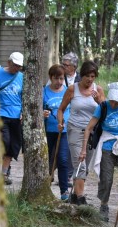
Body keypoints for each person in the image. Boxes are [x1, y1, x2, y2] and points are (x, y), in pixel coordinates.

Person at [80, 85, 118, 222]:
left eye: (117, 102)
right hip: (106, 145)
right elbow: (89, 128)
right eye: (112, 101)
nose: (114, 104)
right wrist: (83, 149)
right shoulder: (103, 106)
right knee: (106, 178)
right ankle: (104, 206)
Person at [57, 61, 105, 205]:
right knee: (80, 163)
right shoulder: (72, 89)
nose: (90, 79)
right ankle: (80, 199)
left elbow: (106, 112)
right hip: (75, 130)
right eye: (87, 76)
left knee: (85, 165)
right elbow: (61, 109)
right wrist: (60, 122)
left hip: (93, 133)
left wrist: (98, 101)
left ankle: (74, 196)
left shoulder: (98, 90)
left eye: (93, 76)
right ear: (81, 75)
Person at [0, 51, 25, 185]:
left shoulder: (22, 77)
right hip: (0, 113)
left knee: (13, 145)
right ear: (8, 62)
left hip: (16, 116)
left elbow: (24, 97)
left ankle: (4, 173)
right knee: (4, 141)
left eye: (19, 66)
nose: (17, 68)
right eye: (15, 65)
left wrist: (24, 112)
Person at [43, 64, 70, 201]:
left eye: (61, 78)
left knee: (63, 160)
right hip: (48, 130)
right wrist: (43, 114)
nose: (59, 82)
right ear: (51, 78)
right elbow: (37, 110)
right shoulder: (44, 92)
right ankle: (44, 187)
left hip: (63, 131)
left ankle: (64, 191)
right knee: (47, 159)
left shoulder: (68, 91)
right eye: (56, 78)